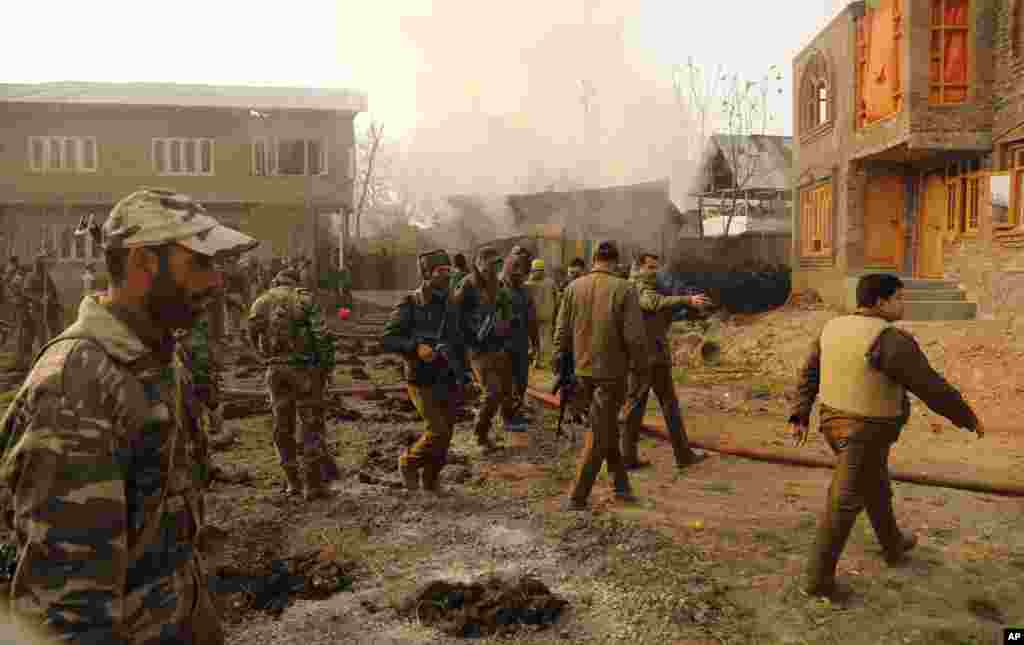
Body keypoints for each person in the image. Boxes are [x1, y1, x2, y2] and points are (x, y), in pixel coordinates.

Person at [0, 187, 259, 643]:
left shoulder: (156, 357)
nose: (216, 280)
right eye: (200, 263)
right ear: (143, 263)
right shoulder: (74, 388)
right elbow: (70, 614)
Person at [788, 273, 984, 597]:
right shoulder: (889, 340)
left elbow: (810, 371)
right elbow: (930, 386)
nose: (903, 305)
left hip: (832, 424)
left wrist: (800, 413)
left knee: (875, 485)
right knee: (845, 501)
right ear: (881, 302)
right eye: (899, 298)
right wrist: (967, 417)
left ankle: (892, 543)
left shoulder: (833, 327)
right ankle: (818, 580)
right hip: (863, 432)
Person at [553, 240, 648, 510]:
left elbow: (561, 333)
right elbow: (635, 337)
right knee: (600, 433)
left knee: (603, 427)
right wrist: (641, 368)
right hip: (611, 374)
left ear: (594, 259)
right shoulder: (625, 288)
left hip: (580, 372)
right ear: (616, 261)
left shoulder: (573, 287)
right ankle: (577, 496)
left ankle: (621, 486)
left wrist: (560, 368)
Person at [249, 267, 338, 501]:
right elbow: (322, 335)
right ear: (296, 282)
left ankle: (292, 482)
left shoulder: (261, 301)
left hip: (275, 369)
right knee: (311, 424)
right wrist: (326, 367)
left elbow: (250, 332)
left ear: (276, 281)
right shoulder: (305, 299)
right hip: (305, 369)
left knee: (282, 424)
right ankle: (313, 485)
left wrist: (264, 358)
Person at [381, 249, 467, 493]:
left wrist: (464, 372)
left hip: (448, 376)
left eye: (449, 271)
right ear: (427, 274)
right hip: (421, 379)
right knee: (438, 430)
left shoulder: (451, 303)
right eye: (441, 271)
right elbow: (388, 338)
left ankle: (431, 480)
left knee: (446, 434)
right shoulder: (410, 302)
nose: (447, 276)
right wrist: (415, 347)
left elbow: (458, 339)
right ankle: (408, 462)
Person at [621, 252, 711, 470]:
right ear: (638, 267)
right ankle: (633, 457)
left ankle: (681, 455)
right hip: (645, 359)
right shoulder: (636, 286)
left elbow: (660, 310)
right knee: (637, 409)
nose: (654, 272)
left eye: (656, 268)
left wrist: (683, 303)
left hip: (654, 357)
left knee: (662, 407)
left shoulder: (649, 286)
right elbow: (652, 303)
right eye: (650, 268)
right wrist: (686, 300)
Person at [453, 246, 519, 452]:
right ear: (479, 264)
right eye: (490, 265)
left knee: (505, 391)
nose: (493, 269)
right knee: (492, 392)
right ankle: (480, 435)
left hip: (497, 345)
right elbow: (454, 316)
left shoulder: (498, 285)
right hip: (477, 349)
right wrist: (468, 338)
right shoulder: (467, 286)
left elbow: (507, 310)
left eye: (497, 264)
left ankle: (497, 424)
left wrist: (507, 323)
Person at [500, 252, 539, 433]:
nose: (518, 272)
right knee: (507, 385)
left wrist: (536, 344)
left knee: (521, 383)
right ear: (507, 269)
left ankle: (517, 413)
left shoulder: (525, 291)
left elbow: (532, 320)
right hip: (504, 346)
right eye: (514, 268)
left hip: (521, 345)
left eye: (520, 268)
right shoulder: (498, 290)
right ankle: (508, 418)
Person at [524, 258, 558, 369]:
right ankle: (540, 360)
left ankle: (535, 359)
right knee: (544, 340)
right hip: (547, 314)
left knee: (533, 339)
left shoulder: (527, 284)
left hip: (532, 316)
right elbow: (557, 298)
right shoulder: (550, 282)